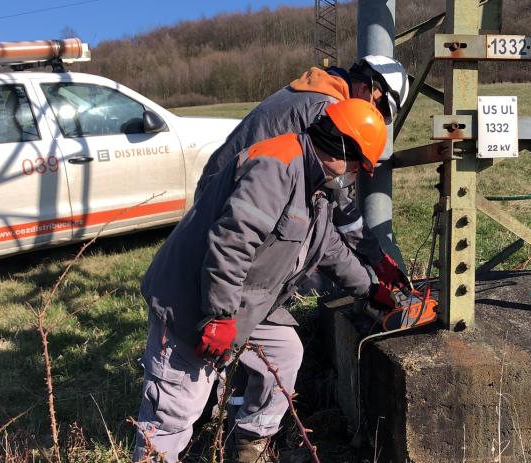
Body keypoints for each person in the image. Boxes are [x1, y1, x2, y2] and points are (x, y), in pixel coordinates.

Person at [133, 99, 399, 463]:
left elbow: (328, 248)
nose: (355, 174)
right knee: (176, 412)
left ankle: (250, 448)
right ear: (342, 149)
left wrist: (369, 289)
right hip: (194, 301)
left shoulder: (316, 185)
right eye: (357, 165)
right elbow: (231, 242)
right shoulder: (277, 167)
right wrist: (221, 315)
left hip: (246, 300)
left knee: (285, 354)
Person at [195, 55, 411, 292]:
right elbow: (338, 206)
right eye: (381, 109)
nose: (378, 118)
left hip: (223, 190)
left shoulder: (319, 90)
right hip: (233, 204)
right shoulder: (329, 111)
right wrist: (376, 258)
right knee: (303, 252)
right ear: (365, 87)